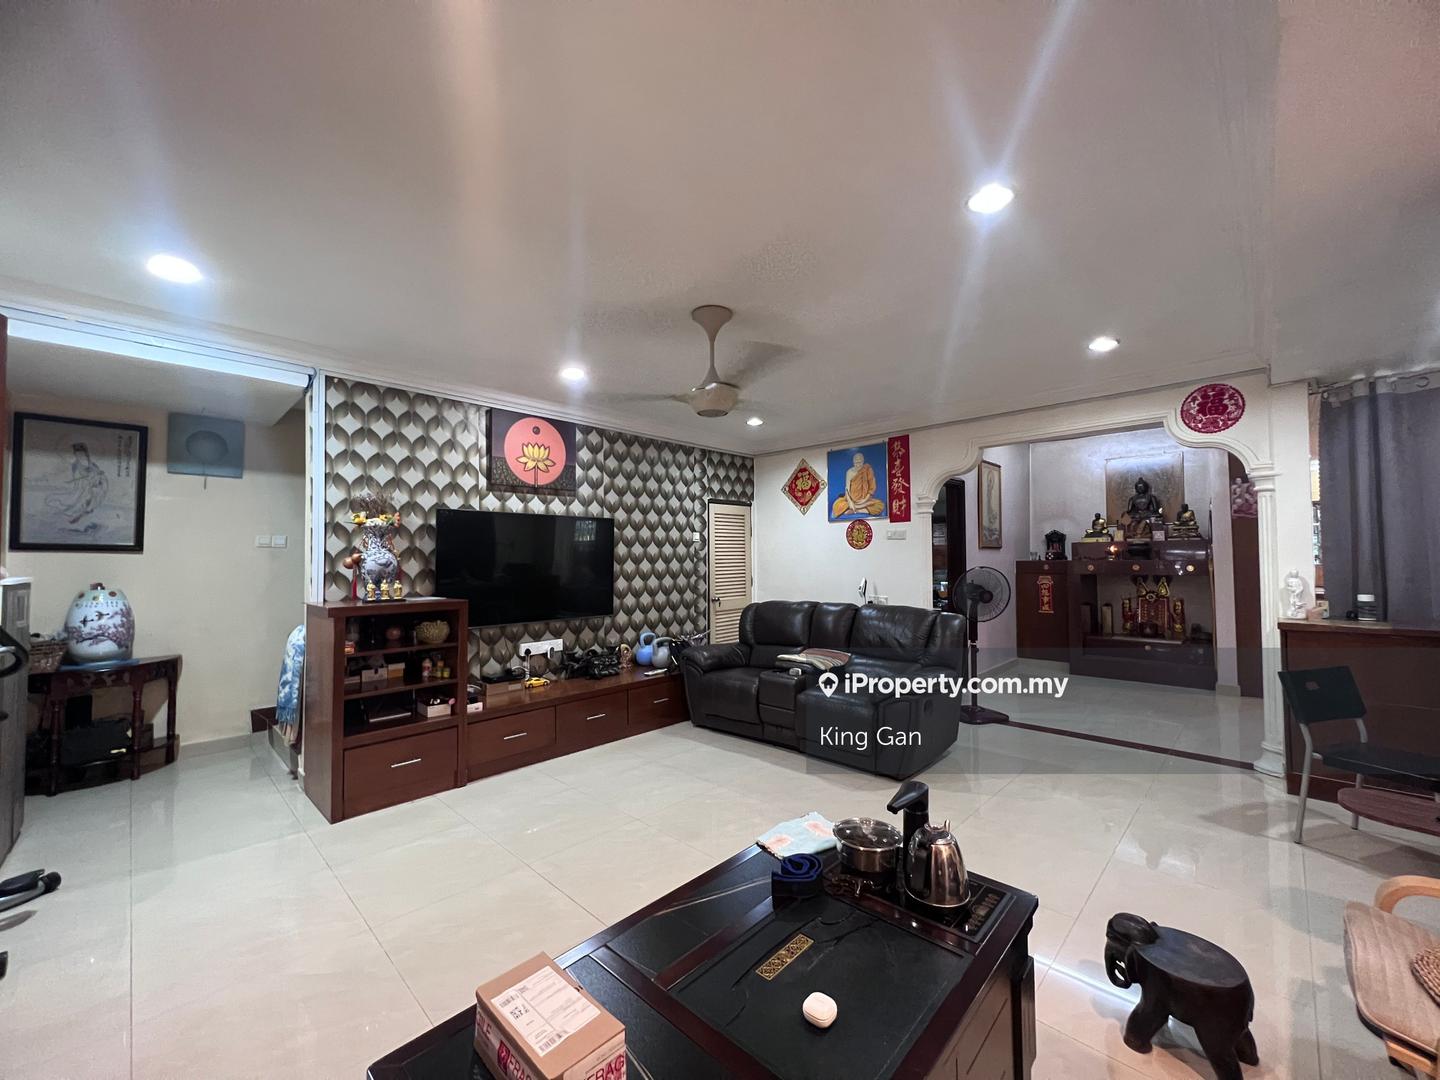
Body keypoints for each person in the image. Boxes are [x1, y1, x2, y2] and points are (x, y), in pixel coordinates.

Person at [46, 443, 109, 525]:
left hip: (95, 485)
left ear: (86, 454)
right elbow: (76, 479)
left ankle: (82, 514)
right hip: (82, 486)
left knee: (92, 493)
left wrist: (95, 476)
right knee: (74, 499)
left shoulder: (91, 464)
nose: (80, 457)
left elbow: (98, 476)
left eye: (82, 455)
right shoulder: (75, 465)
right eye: (78, 455)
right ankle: (79, 511)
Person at [831, 451, 885, 517]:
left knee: (880, 505)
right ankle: (857, 506)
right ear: (853, 462)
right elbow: (847, 489)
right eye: (856, 463)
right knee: (836, 505)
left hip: (864, 499)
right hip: (852, 499)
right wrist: (850, 502)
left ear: (863, 461)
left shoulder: (867, 470)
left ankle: (857, 510)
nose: (858, 465)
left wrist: (864, 500)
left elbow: (872, 488)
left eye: (860, 462)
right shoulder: (849, 472)